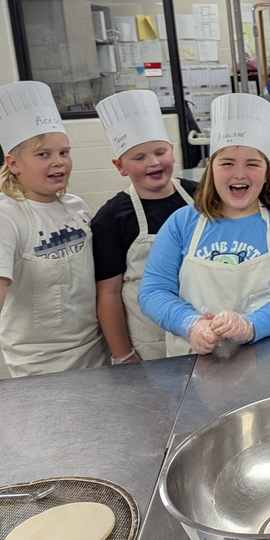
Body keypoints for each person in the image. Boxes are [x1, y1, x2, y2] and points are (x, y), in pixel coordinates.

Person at [139, 93, 270, 356]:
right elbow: (153, 291)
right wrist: (192, 324)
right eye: (227, 163)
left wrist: (251, 325)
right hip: (192, 360)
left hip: (264, 357)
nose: (239, 174)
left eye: (252, 164)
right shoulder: (182, 223)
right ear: (211, 169)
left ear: (266, 174)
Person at [0, 81, 107, 384]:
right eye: (43, 154)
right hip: (41, 366)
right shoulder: (2, 217)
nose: (58, 162)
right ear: (13, 163)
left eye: (64, 152)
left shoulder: (76, 207)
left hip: (95, 351)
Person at [91, 90, 196, 362]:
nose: (153, 162)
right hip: (150, 343)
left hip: (204, 327)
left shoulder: (202, 196)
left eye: (160, 151)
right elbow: (109, 293)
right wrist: (123, 354)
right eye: (139, 157)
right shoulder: (111, 218)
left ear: (172, 151)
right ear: (120, 166)